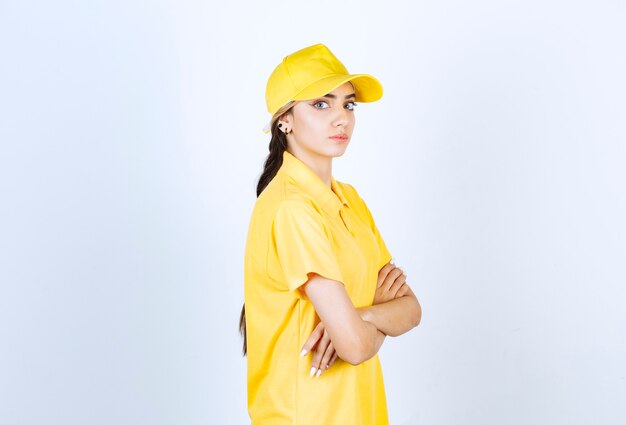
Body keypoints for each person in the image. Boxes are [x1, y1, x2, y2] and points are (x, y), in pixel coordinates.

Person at [240, 43, 422, 425]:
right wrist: (365, 325)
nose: (341, 118)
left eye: (348, 104)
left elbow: (411, 309)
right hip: (306, 414)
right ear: (284, 119)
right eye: (321, 104)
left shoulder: (348, 199)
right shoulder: (292, 208)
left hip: (360, 411)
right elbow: (354, 347)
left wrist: (362, 315)